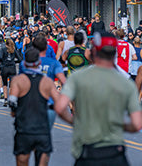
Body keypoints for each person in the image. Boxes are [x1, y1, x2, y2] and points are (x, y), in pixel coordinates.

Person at [55, 32, 142, 166]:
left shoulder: (78, 77)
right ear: (115, 53)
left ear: (93, 51)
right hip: (115, 153)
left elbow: (60, 107)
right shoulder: (125, 82)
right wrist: (118, 125)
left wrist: (75, 122)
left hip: (87, 152)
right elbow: (137, 124)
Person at [9, 48, 72, 166]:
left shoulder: (18, 80)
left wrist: (14, 112)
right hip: (42, 129)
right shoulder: (47, 82)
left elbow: (12, 101)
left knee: (22, 161)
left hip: (24, 128)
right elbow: (59, 105)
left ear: (24, 63)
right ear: (39, 63)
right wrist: (72, 121)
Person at [1, 38, 21, 106]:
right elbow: (20, 59)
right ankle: (10, 99)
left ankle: (5, 99)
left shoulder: (3, 50)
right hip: (12, 67)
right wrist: (14, 62)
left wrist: (3, 62)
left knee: (4, 84)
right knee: (11, 85)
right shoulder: (14, 50)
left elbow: (0, 58)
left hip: (5, 67)